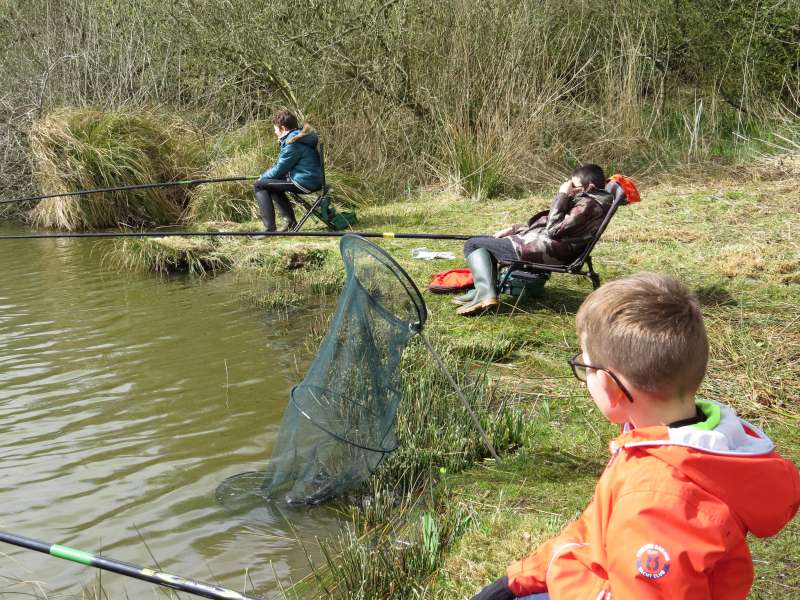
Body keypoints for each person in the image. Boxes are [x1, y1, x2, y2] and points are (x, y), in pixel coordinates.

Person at [471, 273, 800, 600]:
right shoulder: (671, 441)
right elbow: (598, 527)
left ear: (611, 387)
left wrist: (562, 573)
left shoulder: (656, 502)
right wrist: (519, 578)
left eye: (584, 368)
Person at [455, 163, 614, 316]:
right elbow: (553, 226)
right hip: (547, 246)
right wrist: (515, 229)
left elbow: (553, 229)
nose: (570, 188)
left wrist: (562, 195)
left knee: (473, 244)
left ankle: (485, 294)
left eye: (574, 185)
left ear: (590, 186)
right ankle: (482, 289)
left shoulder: (587, 206)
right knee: (483, 241)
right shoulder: (590, 201)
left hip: (545, 251)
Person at [254, 111, 323, 232]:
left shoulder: (293, 143)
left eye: (276, 129)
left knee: (259, 185)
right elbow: (280, 169)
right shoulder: (298, 137)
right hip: (311, 179)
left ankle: (269, 229)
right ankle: (290, 222)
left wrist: (262, 177)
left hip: (304, 182)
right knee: (271, 184)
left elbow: (279, 170)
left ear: (283, 128)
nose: (275, 132)